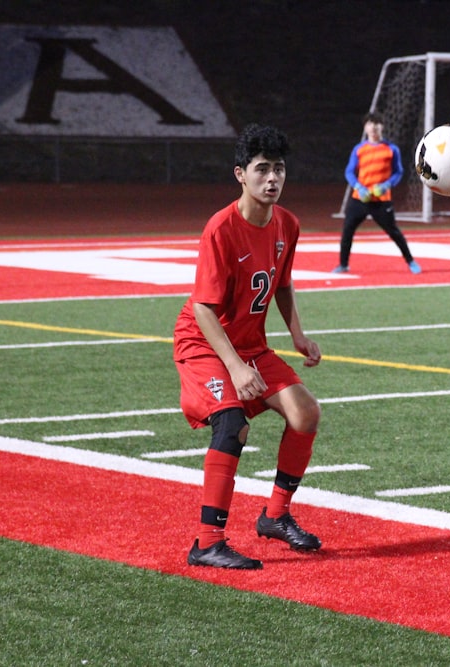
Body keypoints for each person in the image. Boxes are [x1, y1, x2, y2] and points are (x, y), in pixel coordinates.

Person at [174, 123, 323, 570]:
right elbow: (203, 309)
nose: (272, 179)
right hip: (203, 345)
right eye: (262, 170)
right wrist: (237, 368)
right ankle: (207, 543)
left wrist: (297, 334)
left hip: (249, 344)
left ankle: (275, 516)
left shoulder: (287, 224)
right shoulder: (221, 228)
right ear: (241, 174)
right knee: (233, 424)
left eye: (279, 169)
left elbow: (281, 283)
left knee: (306, 413)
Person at [333, 111, 421, 275]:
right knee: (347, 231)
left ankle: (411, 261)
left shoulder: (391, 149)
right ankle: (343, 264)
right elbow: (349, 172)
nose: (373, 127)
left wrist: (386, 185)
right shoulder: (359, 149)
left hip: (381, 200)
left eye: (376, 124)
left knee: (394, 232)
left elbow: (398, 172)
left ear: (382, 127)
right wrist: (359, 187)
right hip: (360, 199)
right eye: (370, 124)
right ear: (366, 128)